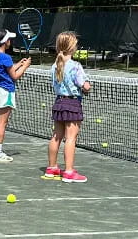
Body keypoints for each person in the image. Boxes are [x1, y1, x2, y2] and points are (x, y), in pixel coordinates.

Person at [46, 32, 90, 183]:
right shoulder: (76, 66)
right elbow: (83, 85)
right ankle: (69, 171)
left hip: (59, 103)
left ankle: (51, 168)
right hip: (72, 104)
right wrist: (87, 86)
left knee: (56, 136)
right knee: (70, 138)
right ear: (72, 47)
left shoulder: (54, 66)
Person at [0, 29, 31, 162]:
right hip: (6, 92)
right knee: (2, 123)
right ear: (5, 42)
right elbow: (15, 76)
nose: (10, 41)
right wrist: (26, 66)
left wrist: (19, 64)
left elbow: (8, 70)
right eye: (9, 39)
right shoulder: (6, 57)